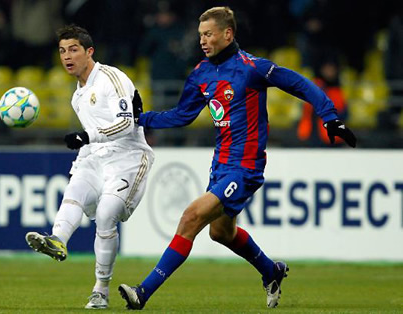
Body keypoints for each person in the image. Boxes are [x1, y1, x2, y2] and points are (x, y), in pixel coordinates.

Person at [119, 6, 356, 310]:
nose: (203, 40)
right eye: (200, 35)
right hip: (221, 165)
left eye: (209, 34)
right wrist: (142, 118)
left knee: (191, 217)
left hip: (245, 167)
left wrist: (330, 118)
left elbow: (300, 83)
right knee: (221, 232)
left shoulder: (252, 68)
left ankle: (143, 293)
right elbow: (182, 115)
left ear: (227, 34)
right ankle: (271, 271)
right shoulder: (201, 73)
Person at [25, 25, 154, 310]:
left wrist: (87, 136)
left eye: (73, 50)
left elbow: (127, 122)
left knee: (107, 215)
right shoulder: (77, 96)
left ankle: (101, 289)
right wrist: (88, 143)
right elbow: (94, 137)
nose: (67, 57)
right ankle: (57, 239)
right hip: (96, 156)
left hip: (129, 157)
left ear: (89, 52)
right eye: (62, 51)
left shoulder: (111, 78)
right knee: (74, 191)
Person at [297, 58, 348, 146]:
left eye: (332, 69)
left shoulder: (338, 90)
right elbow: (307, 109)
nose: (330, 72)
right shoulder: (315, 85)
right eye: (327, 69)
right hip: (312, 134)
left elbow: (344, 113)